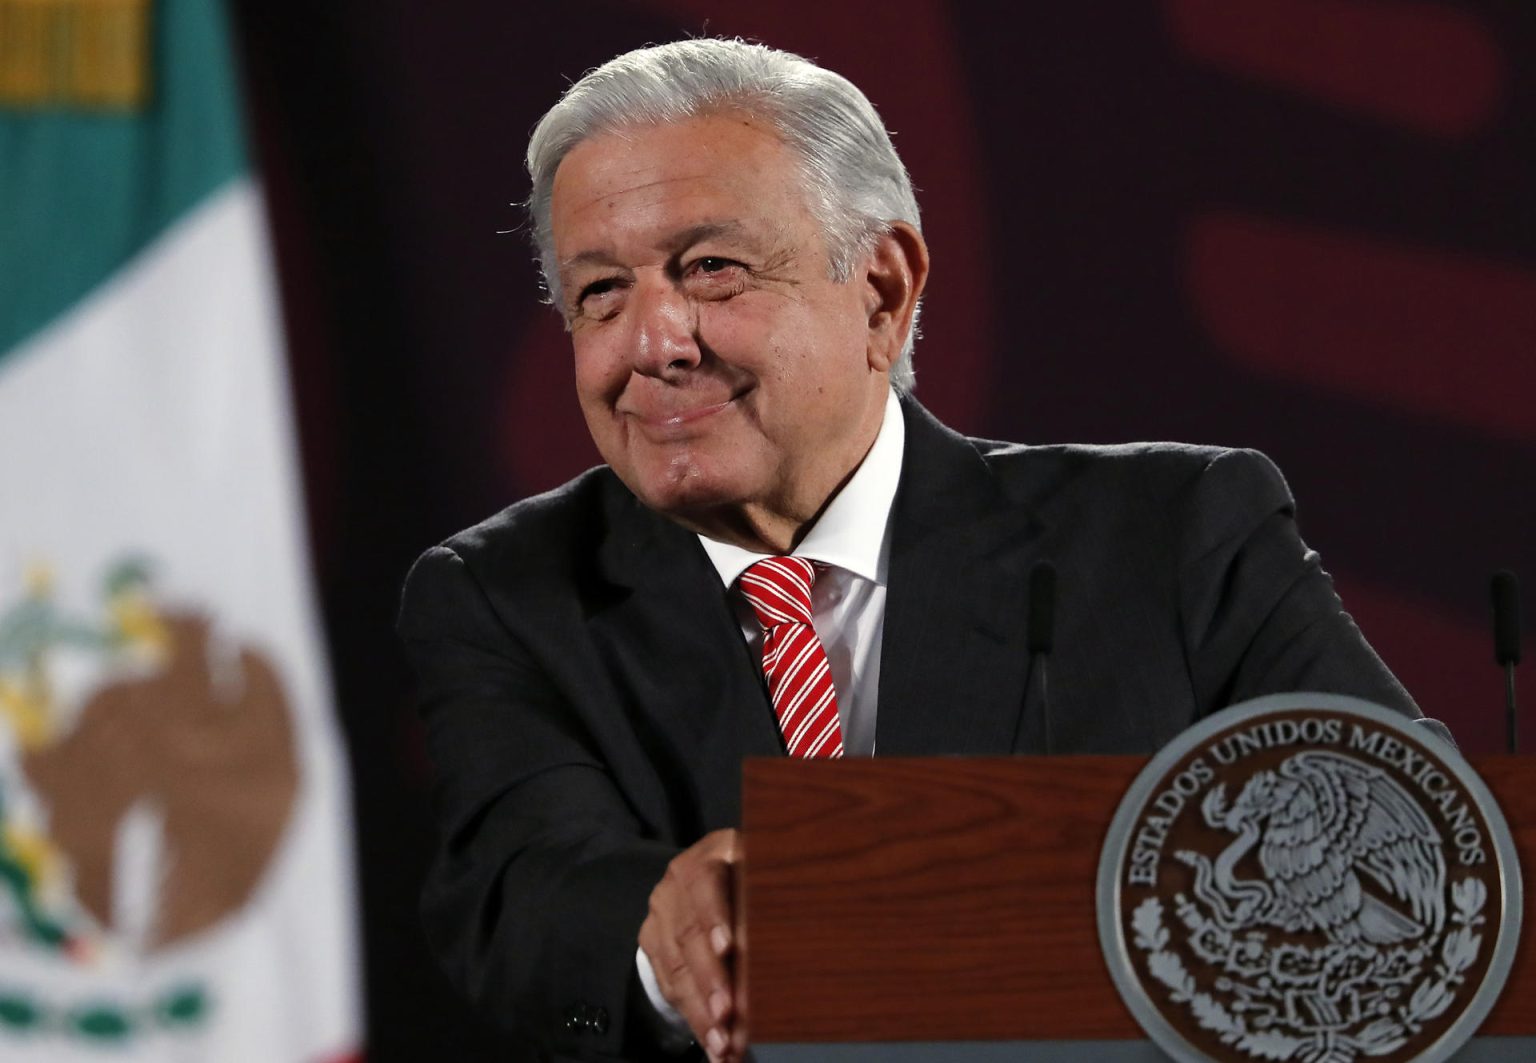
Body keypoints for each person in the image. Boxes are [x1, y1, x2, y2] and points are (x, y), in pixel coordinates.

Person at [397, 38, 1433, 1063]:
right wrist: (659, 940)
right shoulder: (504, 596)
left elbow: (1425, 855)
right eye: (601, 293)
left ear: (883, 290)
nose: (653, 343)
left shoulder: (1177, 533)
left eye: (711, 269)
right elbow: (526, 894)